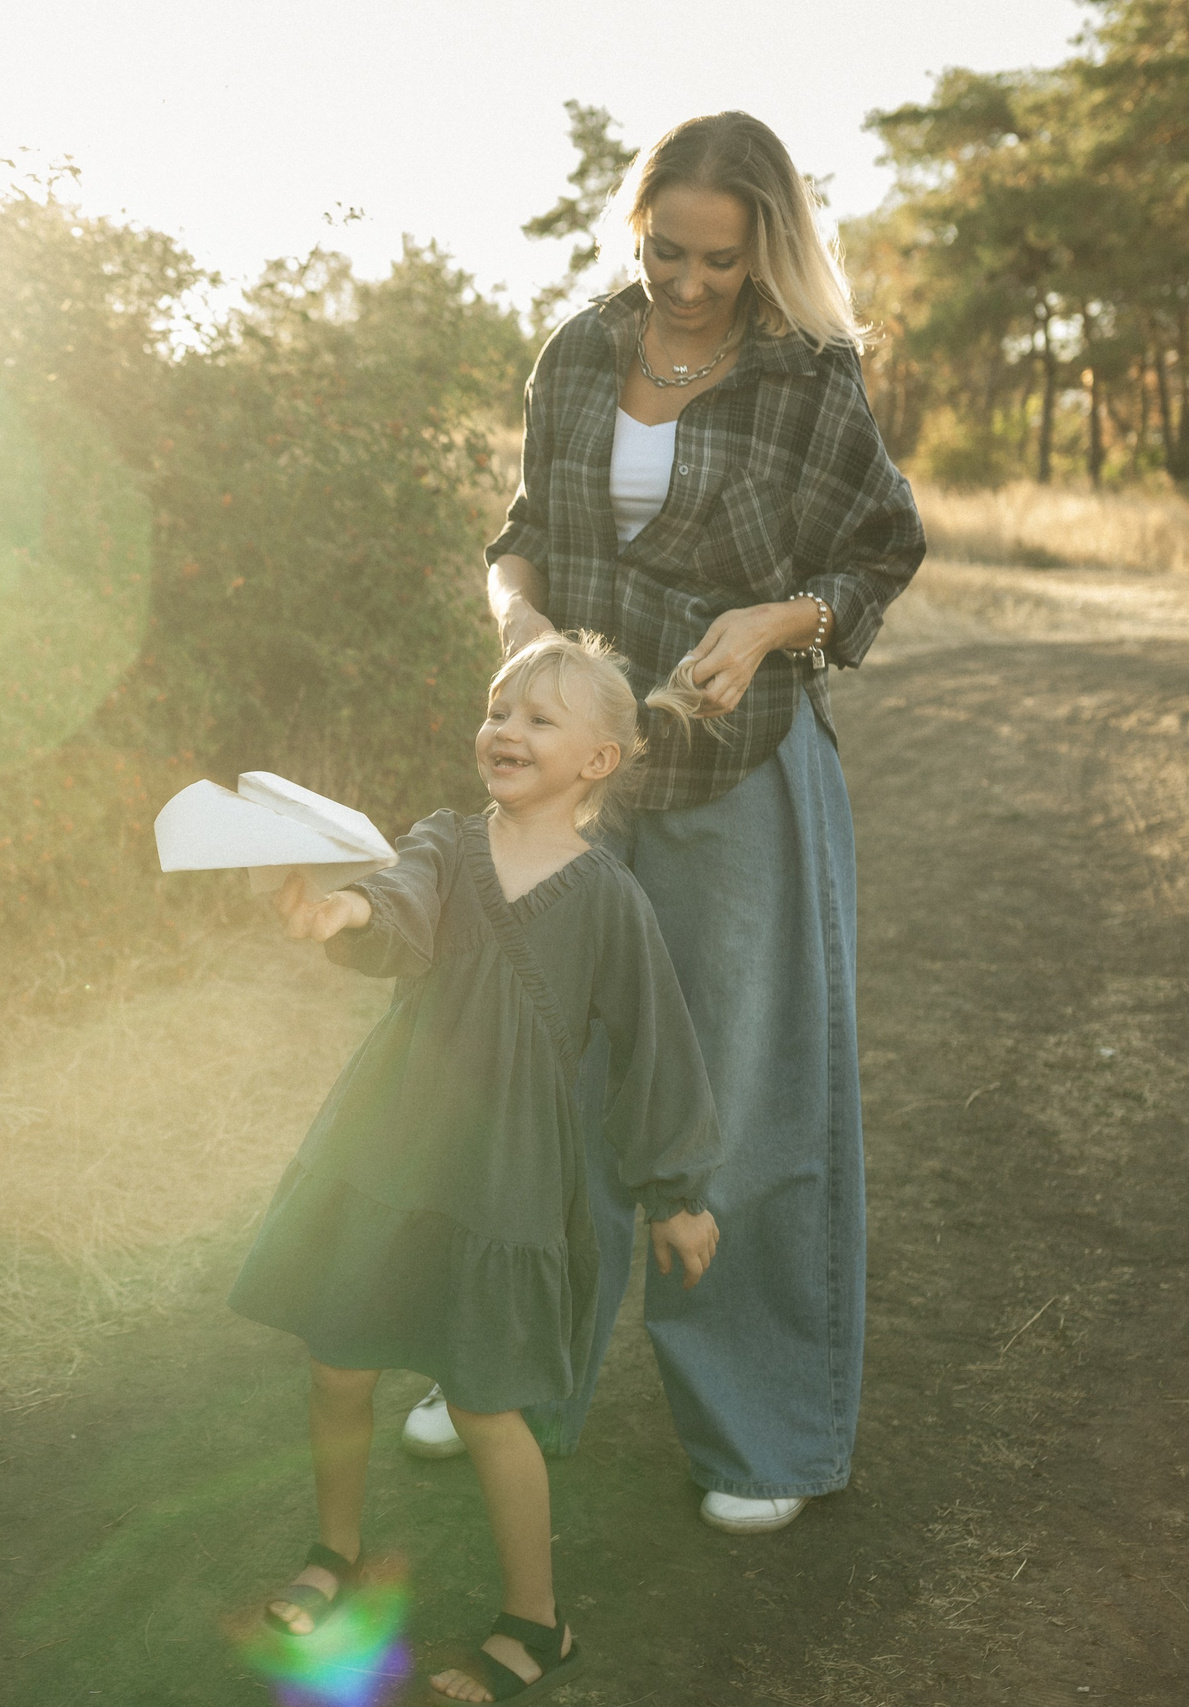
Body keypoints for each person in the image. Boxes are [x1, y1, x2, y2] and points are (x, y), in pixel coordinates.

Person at [411, 112, 925, 1534]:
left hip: (735, 771)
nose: (687, 282)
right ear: (634, 228)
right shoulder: (577, 349)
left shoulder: (811, 375)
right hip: (582, 773)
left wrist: (766, 625)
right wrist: (514, 611)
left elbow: (879, 549)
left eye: (718, 258)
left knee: (740, 1092)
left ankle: (760, 1424)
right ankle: (504, 1370)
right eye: (664, 251)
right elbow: (522, 532)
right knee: (527, 1067)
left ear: (767, 248)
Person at [229, 633, 723, 1702]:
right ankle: (335, 1553)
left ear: (600, 760)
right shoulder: (446, 843)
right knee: (338, 1361)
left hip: (502, 1173)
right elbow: (395, 903)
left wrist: (674, 1195)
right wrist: (339, 913)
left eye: (539, 718)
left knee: (488, 1402)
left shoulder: (608, 902)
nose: (505, 729)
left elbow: (657, 1049)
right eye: (498, 708)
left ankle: (534, 1623)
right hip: (389, 1146)